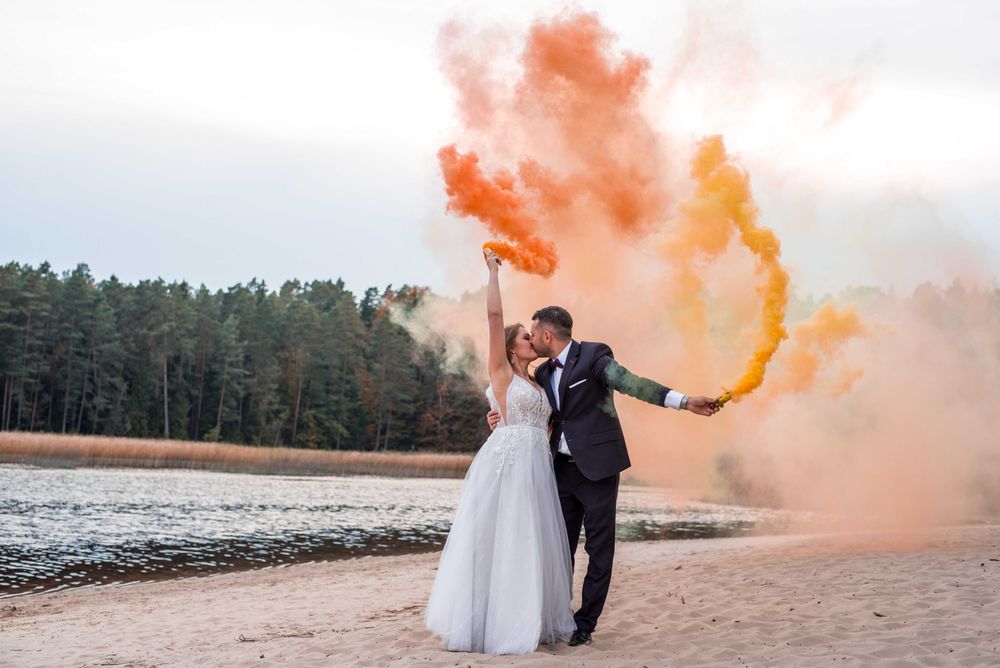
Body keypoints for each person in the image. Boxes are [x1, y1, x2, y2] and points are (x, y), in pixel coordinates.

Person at [486, 301, 722, 647]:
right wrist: (497, 417)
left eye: (533, 333)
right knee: (557, 549)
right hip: (558, 472)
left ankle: (585, 624)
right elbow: (530, 411)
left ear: (547, 335)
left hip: (598, 470)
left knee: (599, 551)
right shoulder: (543, 374)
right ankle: (557, 616)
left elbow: (632, 383)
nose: (531, 339)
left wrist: (684, 401)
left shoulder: (594, 357)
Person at [424, 249, 576, 655]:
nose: (533, 339)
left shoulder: (541, 380)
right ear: (510, 347)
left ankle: (529, 618)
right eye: (526, 336)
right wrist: (492, 272)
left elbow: (547, 423)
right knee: (500, 538)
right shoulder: (503, 372)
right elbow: (494, 318)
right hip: (508, 464)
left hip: (537, 466)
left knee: (529, 540)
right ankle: (492, 624)